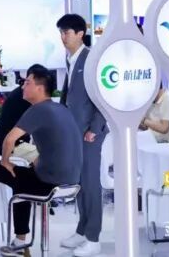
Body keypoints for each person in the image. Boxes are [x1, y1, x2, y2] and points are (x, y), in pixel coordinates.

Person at [0, 66, 81, 255]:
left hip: (49, 184)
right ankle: (20, 241)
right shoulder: (60, 108)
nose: (23, 87)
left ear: (39, 88)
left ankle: (20, 243)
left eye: (27, 83)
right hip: (73, 182)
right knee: (22, 178)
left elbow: (9, 140)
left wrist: (5, 162)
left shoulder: (38, 110)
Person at [57, 14, 105, 257]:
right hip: (74, 132)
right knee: (80, 183)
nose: (63, 37)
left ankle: (94, 238)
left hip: (89, 133)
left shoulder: (91, 58)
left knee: (91, 184)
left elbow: (102, 96)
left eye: (66, 32)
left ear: (80, 34)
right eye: (61, 33)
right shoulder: (71, 59)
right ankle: (82, 230)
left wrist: (94, 129)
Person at [0, 65, 42, 152]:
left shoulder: (23, 92)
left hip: (14, 142)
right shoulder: (25, 96)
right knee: (44, 155)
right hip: (12, 145)